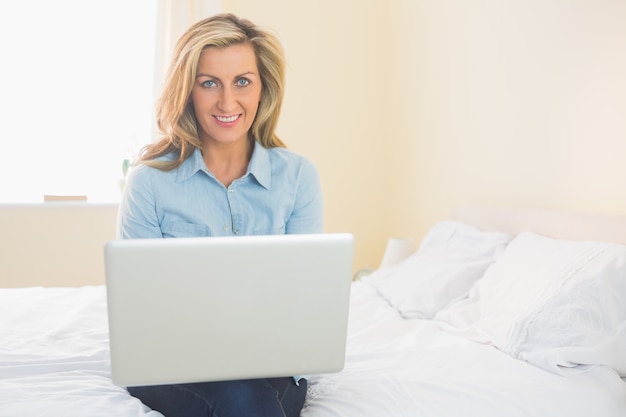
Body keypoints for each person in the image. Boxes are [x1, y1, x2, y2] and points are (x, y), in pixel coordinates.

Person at [117, 12, 323, 417]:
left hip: (272, 361)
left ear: (263, 89)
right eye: (209, 83)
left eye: (242, 81)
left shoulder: (298, 177)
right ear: (188, 90)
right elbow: (141, 313)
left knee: (251, 393)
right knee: (244, 397)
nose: (227, 102)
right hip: (172, 364)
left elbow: (306, 302)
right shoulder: (148, 182)